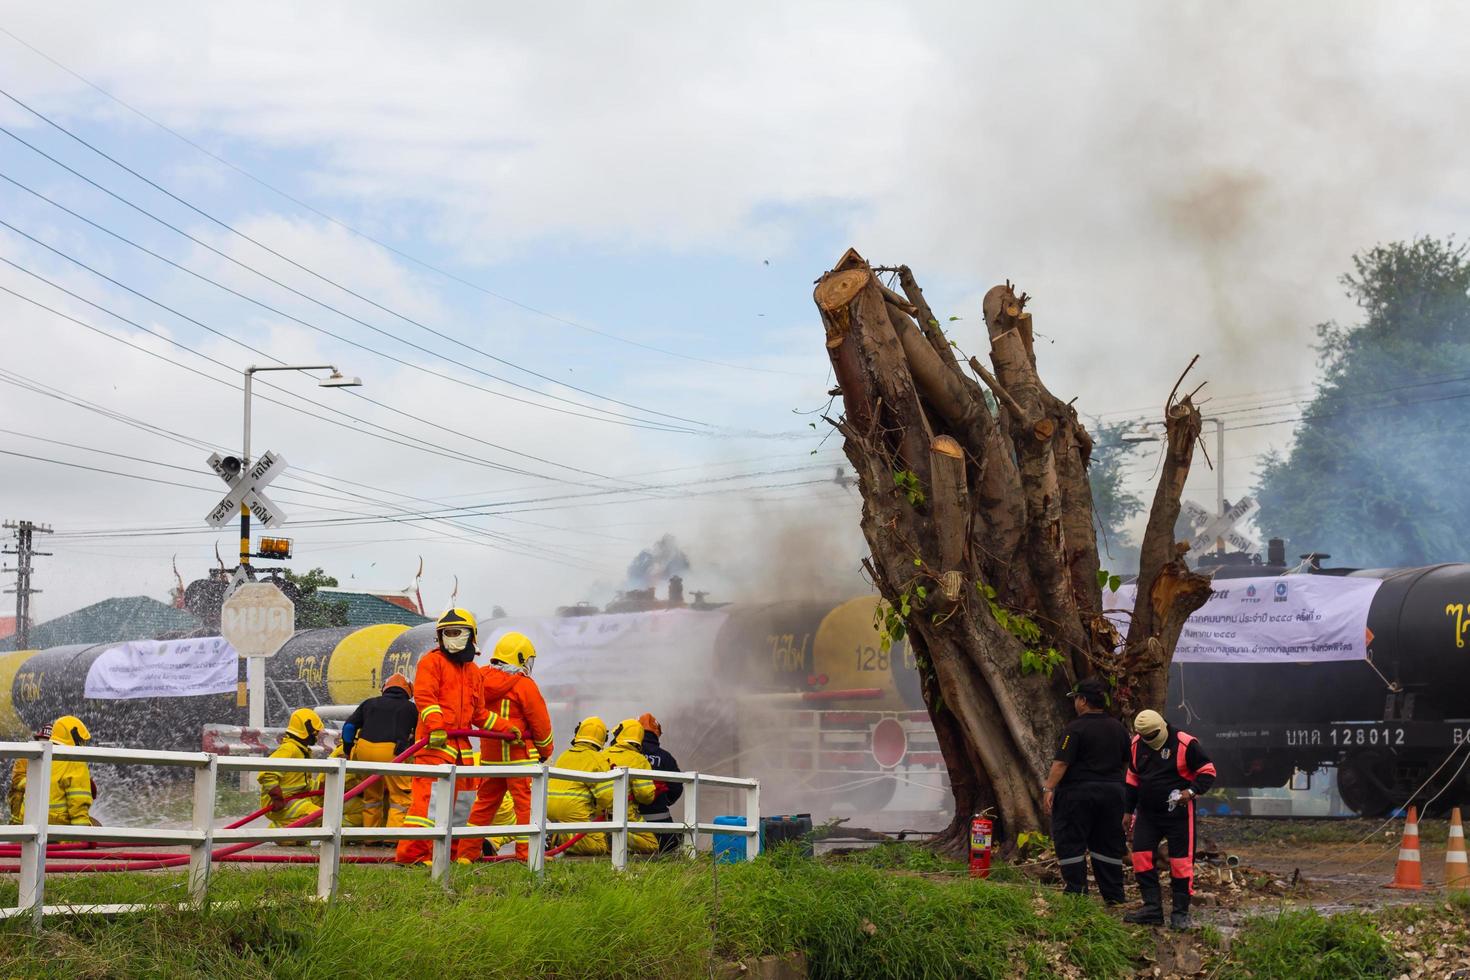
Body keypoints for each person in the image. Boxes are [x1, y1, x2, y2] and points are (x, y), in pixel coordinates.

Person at [396, 608, 508, 866]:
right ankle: (413, 856)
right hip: (434, 747)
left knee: (461, 807)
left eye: (457, 633)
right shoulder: (431, 662)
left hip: (461, 753)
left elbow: (479, 714)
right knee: (427, 807)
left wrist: (505, 727)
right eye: (446, 633)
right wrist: (436, 726)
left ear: (472, 636)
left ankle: (453, 853)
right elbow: (426, 698)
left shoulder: (473, 672)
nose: (451, 638)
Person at [1124, 709, 1218, 930]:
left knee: (1181, 862)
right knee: (1141, 857)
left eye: (1152, 736)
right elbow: (1132, 778)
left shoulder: (1185, 743)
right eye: (1144, 737)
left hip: (1178, 815)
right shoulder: (1137, 744)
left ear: (1162, 727)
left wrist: (1191, 792)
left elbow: (1208, 771)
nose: (1148, 741)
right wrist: (1128, 811)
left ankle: (1180, 913)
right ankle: (1152, 909)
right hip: (1147, 814)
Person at [463, 631, 553, 862]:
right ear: (521, 658)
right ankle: (528, 857)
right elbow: (540, 724)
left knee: (483, 807)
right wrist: (546, 752)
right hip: (520, 759)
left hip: (490, 759)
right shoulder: (524, 685)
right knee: (526, 810)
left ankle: (465, 855)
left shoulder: (480, 678)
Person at [1041, 678, 1130, 904]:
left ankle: (1076, 892)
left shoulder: (1074, 729)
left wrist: (1048, 788)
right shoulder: (1118, 728)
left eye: (1077, 699)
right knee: (1107, 843)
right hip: (1113, 794)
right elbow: (1127, 764)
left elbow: (1061, 763)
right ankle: (1114, 897)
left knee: (1070, 839)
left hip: (1078, 794)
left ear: (1082, 701)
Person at [342, 673, 418, 833]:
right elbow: (420, 736)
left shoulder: (369, 703)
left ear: (385, 688)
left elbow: (349, 727)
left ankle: (371, 837)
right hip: (391, 752)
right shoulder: (411, 708)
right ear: (409, 691)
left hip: (364, 751)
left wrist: (347, 750)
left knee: (371, 797)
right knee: (400, 797)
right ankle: (393, 837)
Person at [546, 716, 614, 855]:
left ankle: (558, 836)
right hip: (573, 811)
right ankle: (558, 837)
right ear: (603, 739)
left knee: (589, 835)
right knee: (599, 846)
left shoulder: (564, 755)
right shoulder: (598, 759)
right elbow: (607, 798)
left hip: (550, 809)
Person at [258, 708, 325, 832]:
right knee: (317, 814)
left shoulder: (301, 750)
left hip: (292, 798)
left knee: (325, 811)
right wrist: (277, 798)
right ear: (307, 730)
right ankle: (279, 831)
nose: (316, 736)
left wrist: (321, 788)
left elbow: (300, 781)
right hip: (278, 803)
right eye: (315, 732)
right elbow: (267, 772)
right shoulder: (289, 749)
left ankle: (294, 836)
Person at [605, 718, 659, 854]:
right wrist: (654, 791)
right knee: (651, 845)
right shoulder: (639, 760)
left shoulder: (601, 755)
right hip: (626, 814)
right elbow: (645, 795)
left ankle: (606, 836)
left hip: (598, 813)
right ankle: (616, 836)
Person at [637, 712, 685, 854]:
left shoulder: (628, 754)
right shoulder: (665, 757)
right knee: (669, 850)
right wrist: (665, 800)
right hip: (660, 823)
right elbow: (676, 786)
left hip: (629, 822)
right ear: (657, 733)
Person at [44, 716, 95, 827]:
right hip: (60, 828)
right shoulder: (76, 762)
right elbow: (78, 806)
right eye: (81, 741)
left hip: (31, 827)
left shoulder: (40, 757)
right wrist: (81, 837)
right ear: (74, 737)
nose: (83, 744)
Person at [7, 723, 50, 824]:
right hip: (25, 800)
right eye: (43, 740)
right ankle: (16, 827)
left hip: (52, 808)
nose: (45, 744)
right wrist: (37, 785)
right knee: (17, 794)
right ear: (37, 740)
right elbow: (17, 780)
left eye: (48, 741)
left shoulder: (62, 762)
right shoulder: (25, 757)